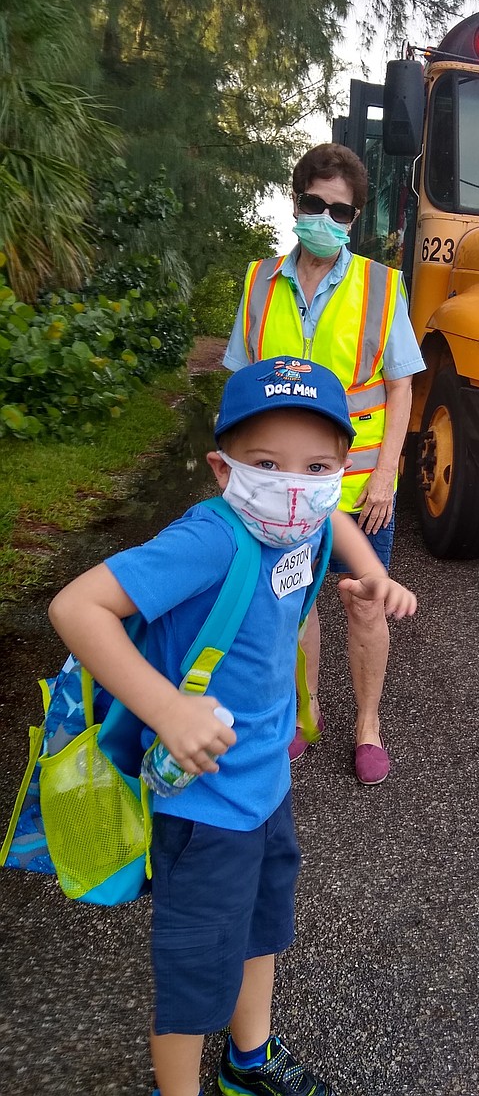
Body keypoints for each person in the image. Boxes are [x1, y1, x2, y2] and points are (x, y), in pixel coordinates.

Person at [47, 356, 417, 1096]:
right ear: (223, 469)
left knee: (260, 927)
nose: (292, 482)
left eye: (315, 465)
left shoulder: (307, 516)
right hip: (204, 799)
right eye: (265, 462)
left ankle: (249, 1060)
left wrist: (367, 571)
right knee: (194, 970)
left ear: (340, 469)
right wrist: (168, 709)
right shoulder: (211, 539)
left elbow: (332, 516)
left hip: (264, 783)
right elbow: (75, 607)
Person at [223, 142, 425, 786]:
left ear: (354, 218)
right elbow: (237, 388)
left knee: (363, 602)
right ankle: (300, 719)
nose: (325, 219)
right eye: (315, 204)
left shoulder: (380, 286)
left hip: (359, 487)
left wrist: (389, 474)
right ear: (297, 203)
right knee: (293, 607)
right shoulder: (259, 283)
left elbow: (401, 387)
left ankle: (367, 727)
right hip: (276, 489)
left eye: (340, 211)